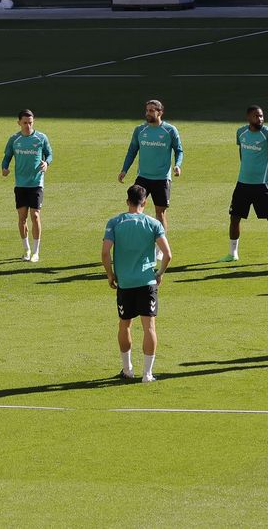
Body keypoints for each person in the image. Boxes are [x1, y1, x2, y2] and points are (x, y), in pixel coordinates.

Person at [102, 184, 172, 382]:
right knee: (149, 327)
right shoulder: (153, 224)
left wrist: (110, 274)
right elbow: (167, 255)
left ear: (127, 201)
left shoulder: (114, 223)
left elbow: (105, 252)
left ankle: (128, 369)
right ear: (145, 202)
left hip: (125, 283)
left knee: (125, 325)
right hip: (147, 282)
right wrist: (159, 273)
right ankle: (147, 374)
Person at [223, 104, 268, 264]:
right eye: (256, 116)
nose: (260, 119)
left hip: (261, 186)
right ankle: (233, 253)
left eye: (261, 116)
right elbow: (242, 151)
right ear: (248, 117)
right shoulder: (241, 132)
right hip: (242, 184)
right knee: (234, 218)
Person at [117, 99, 183, 228]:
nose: (148, 113)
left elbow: (179, 150)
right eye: (147, 110)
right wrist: (124, 170)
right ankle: (137, 239)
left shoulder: (170, 130)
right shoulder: (140, 130)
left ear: (160, 112)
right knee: (134, 210)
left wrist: (177, 165)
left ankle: (160, 247)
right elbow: (132, 151)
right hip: (143, 177)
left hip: (162, 178)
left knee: (160, 213)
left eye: (151, 110)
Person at [0, 109, 52, 261]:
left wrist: (46, 163)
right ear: (19, 123)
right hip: (21, 184)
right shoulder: (14, 139)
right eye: (25, 123)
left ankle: (36, 252)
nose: (28, 126)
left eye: (30, 123)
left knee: (35, 215)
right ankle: (27, 249)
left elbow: (50, 154)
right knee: (22, 218)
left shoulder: (41, 138)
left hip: (36, 183)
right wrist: (4, 168)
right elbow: (7, 156)